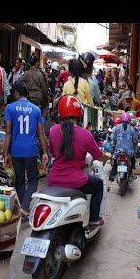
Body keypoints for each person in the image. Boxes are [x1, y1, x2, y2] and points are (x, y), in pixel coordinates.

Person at [48, 95, 111, 226]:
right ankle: (94, 219)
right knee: (98, 184)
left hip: (53, 179)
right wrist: (108, 156)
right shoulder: (85, 134)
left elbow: (53, 152)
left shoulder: (53, 130)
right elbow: (99, 156)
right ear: (79, 114)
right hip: (76, 181)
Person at [3, 80, 48, 220]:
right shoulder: (36, 109)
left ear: (16, 93)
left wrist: (6, 153)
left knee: (20, 180)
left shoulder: (10, 108)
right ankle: (24, 206)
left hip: (16, 151)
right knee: (33, 180)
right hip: (31, 150)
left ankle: (23, 208)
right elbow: (41, 133)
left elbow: (8, 133)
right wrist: (45, 152)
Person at [109, 112, 138, 183]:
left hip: (118, 151)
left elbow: (114, 140)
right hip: (129, 152)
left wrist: (115, 146)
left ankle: (111, 178)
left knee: (115, 163)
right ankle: (132, 173)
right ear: (129, 120)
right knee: (133, 158)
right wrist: (134, 148)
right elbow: (135, 141)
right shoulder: (132, 129)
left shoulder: (116, 128)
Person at [20, 53, 50, 118]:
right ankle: (42, 121)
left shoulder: (26, 73)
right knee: (46, 106)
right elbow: (44, 88)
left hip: (29, 96)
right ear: (36, 63)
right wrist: (46, 96)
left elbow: (19, 82)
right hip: (39, 97)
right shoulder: (40, 74)